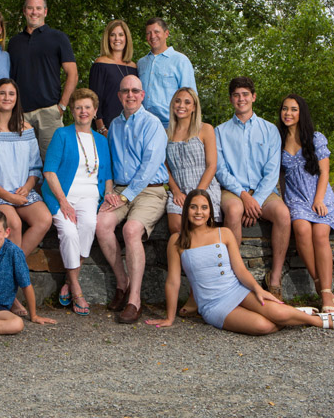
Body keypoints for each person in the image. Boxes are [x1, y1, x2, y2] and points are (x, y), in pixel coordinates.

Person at [145, 190, 334, 333]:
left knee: (275, 312)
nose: (199, 212)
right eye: (193, 207)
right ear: (186, 211)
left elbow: (240, 270)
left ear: (210, 212)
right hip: (213, 304)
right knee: (264, 326)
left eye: (204, 207)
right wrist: (170, 317)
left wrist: (258, 289)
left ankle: (316, 321)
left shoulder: (223, 233)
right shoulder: (177, 241)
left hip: (236, 289)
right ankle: (291, 314)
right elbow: (173, 281)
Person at [0, 78, 53, 315]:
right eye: (2, 93)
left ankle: (4, 275)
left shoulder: (26, 130)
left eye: (11, 94)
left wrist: (28, 186)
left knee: (44, 219)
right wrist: (9, 197)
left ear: (16, 99)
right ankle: (12, 296)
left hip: (21, 191)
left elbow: (35, 167)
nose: (7, 98)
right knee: (13, 223)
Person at [95, 75, 168, 324]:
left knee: (131, 230)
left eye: (135, 90)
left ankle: (135, 299)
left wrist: (127, 195)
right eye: (125, 91)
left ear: (142, 95)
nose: (130, 95)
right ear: (119, 96)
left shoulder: (152, 124)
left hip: (150, 190)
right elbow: (110, 163)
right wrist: (112, 192)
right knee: (101, 224)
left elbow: (150, 166)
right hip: (120, 189)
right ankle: (122, 282)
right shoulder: (115, 125)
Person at [215, 76, 291, 300]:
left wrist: (255, 200)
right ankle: (235, 278)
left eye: (245, 94)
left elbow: (272, 172)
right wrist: (243, 196)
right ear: (231, 99)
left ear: (254, 97)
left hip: (264, 191)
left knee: (283, 214)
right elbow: (221, 170)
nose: (241, 99)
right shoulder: (220, 131)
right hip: (233, 190)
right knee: (234, 210)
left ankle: (274, 278)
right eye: (236, 95)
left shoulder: (269, 130)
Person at [41, 88, 113, 316]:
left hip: (90, 196)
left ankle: (68, 280)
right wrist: (63, 202)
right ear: (72, 111)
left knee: (89, 225)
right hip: (62, 195)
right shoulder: (62, 134)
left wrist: (108, 195)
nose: (83, 111)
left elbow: (107, 175)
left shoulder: (101, 140)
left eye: (87, 107)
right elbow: (49, 172)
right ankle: (76, 287)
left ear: (95, 111)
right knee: (69, 232)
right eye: (79, 107)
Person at [278, 94, 334, 314]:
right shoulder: (278, 140)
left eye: (293, 109)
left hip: (319, 193)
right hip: (296, 196)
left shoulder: (315, 138)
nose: (288, 113)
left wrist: (318, 199)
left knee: (320, 234)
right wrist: (284, 199)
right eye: (285, 109)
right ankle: (323, 288)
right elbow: (281, 176)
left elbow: (325, 172)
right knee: (301, 229)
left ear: (301, 113)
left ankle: (324, 292)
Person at [164, 87, 222, 316]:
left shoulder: (205, 129)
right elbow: (165, 167)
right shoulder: (166, 132)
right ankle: (192, 285)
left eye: (187, 102)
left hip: (204, 189)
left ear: (194, 106)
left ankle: (195, 292)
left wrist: (197, 196)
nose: (182, 105)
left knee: (199, 231)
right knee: (177, 229)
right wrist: (175, 190)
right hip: (179, 191)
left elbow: (212, 165)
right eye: (178, 101)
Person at [7, 0, 78, 159]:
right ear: (24, 11)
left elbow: (73, 74)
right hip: (20, 115)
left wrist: (62, 107)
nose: (34, 12)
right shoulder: (14, 43)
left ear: (45, 12)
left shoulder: (58, 38)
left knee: (52, 163)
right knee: (20, 163)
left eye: (38, 8)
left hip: (49, 112)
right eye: (30, 8)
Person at [136, 17, 197, 128]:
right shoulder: (141, 63)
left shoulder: (180, 60)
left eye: (156, 32)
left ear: (166, 33)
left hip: (171, 125)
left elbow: (191, 97)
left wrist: (185, 128)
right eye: (148, 33)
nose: (152, 36)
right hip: (144, 124)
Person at [88, 19, 138, 135]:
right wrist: (101, 128)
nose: (117, 39)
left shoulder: (133, 67)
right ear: (107, 38)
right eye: (112, 35)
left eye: (121, 35)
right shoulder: (100, 64)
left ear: (126, 38)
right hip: (108, 127)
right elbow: (94, 99)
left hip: (132, 128)